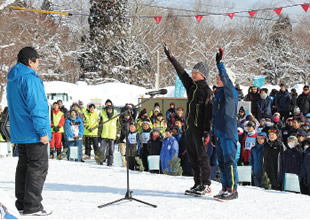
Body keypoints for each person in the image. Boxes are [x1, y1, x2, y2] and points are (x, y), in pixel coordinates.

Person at [7, 47, 52, 216]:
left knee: (24, 167)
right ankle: (33, 206)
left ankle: (22, 203)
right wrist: (42, 131)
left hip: (20, 132)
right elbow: (37, 106)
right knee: (38, 167)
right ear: (30, 61)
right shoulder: (30, 78)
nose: (38, 64)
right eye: (37, 60)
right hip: (33, 132)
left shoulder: (13, 79)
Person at [164, 43, 213, 196]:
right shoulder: (192, 87)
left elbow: (208, 113)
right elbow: (181, 73)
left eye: (196, 73)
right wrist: (171, 58)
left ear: (203, 75)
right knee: (192, 157)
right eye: (192, 72)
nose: (193, 75)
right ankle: (197, 183)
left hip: (200, 130)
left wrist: (207, 131)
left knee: (202, 158)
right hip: (190, 128)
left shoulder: (207, 91)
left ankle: (206, 184)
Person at [211, 48, 239, 200]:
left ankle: (233, 190)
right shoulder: (218, 94)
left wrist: (220, 64)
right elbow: (215, 115)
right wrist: (214, 132)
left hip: (228, 133)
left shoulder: (230, 91)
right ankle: (225, 187)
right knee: (221, 162)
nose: (217, 79)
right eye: (216, 77)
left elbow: (226, 80)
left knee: (229, 162)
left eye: (219, 77)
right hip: (220, 133)